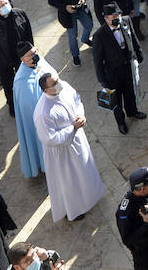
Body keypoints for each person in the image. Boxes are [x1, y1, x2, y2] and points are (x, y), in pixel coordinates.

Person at [33, 71, 108, 222]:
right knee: (70, 181)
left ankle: (89, 198)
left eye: (58, 80)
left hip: (77, 139)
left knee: (84, 171)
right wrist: (72, 128)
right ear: (46, 90)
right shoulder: (42, 112)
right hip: (62, 152)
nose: (59, 84)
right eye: (54, 84)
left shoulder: (65, 87)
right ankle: (74, 209)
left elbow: (76, 99)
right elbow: (49, 139)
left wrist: (80, 115)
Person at [93, 3, 147, 134]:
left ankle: (132, 111)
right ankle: (121, 122)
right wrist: (102, 80)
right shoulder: (99, 35)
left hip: (127, 66)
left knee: (130, 92)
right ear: (106, 18)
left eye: (118, 16)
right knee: (116, 99)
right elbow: (98, 61)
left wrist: (139, 54)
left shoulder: (126, 21)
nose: (117, 19)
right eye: (113, 17)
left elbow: (133, 37)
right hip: (113, 73)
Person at [48, 0, 95, 67]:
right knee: (73, 36)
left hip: (81, 8)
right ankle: (75, 55)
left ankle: (85, 39)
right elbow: (51, 0)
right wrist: (65, 7)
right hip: (67, 14)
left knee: (89, 25)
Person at [12, 42, 48, 178]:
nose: (34, 56)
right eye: (30, 55)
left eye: (35, 52)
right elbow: (29, 108)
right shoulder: (21, 81)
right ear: (23, 59)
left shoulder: (40, 62)